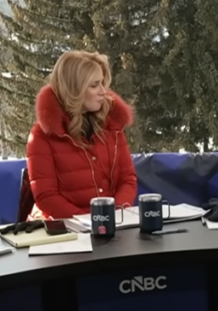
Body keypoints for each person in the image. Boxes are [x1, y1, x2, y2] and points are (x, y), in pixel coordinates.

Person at [26, 51, 137, 220]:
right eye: (94, 85)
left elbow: (127, 179)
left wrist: (115, 215)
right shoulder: (42, 135)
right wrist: (90, 221)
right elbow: (47, 197)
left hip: (112, 223)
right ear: (74, 90)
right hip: (64, 229)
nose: (103, 91)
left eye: (102, 83)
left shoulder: (113, 125)